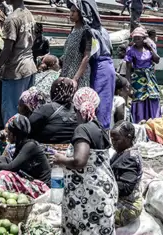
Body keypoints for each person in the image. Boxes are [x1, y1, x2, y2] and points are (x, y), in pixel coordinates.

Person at [52, 88, 117, 235]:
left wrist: (61, 159)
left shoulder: (82, 129)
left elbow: (80, 161)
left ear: (75, 108)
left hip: (86, 196)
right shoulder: (99, 128)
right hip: (103, 189)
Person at [67, 0, 117, 128]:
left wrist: (75, 78)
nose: (70, 13)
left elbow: (87, 55)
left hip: (100, 68)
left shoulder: (90, 31)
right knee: (102, 102)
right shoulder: (101, 29)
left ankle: (100, 133)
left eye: (74, 11)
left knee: (99, 103)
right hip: (106, 66)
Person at [0, 0, 37, 126]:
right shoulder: (29, 14)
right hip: (30, 68)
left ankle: (11, 146)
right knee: (27, 109)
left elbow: (7, 50)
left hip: (15, 71)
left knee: (11, 113)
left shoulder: (11, 19)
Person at [0, 115, 51, 196]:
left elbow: (12, 167)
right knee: (2, 159)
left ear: (14, 135)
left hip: (41, 187)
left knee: (4, 175)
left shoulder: (30, 146)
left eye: (8, 133)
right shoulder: (20, 144)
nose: (7, 135)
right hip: (29, 178)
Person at [110, 121, 143, 228]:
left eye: (116, 139)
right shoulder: (122, 151)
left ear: (128, 138)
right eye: (112, 139)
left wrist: (104, 184)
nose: (113, 143)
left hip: (128, 206)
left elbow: (126, 187)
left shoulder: (130, 158)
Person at [125, 26, 161, 123]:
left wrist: (150, 48)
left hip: (150, 77)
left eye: (138, 38)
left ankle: (154, 122)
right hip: (138, 78)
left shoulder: (149, 48)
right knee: (139, 99)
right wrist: (128, 82)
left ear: (144, 39)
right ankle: (139, 121)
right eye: (134, 38)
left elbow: (157, 60)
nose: (136, 40)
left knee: (153, 97)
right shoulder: (131, 50)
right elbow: (128, 68)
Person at [29, 77, 79, 146]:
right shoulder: (78, 110)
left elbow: (28, 127)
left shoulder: (45, 109)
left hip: (47, 151)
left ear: (53, 91)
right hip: (71, 151)